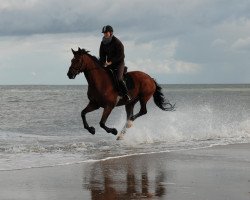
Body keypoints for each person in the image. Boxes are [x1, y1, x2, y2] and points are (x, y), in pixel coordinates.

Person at [99, 25, 131, 101]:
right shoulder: (103, 43)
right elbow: (102, 55)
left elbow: (121, 55)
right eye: (104, 33)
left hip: (119, 63)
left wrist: (111, 62)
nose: (105, 34)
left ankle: (126, 95)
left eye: (106, 32)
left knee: (119, 79)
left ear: (111, 33)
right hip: (109, 63)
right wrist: (102, 63)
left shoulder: (117, 42)